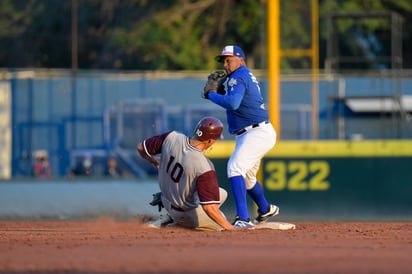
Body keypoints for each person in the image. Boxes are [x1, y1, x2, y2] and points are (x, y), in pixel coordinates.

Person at [204, 45, 280, 228]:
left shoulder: (238, 77)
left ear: (241, 59)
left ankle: (242, 219)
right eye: (223, 60)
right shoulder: (243, 76)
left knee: (235, 168)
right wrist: (220, 94)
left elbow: (233, 103)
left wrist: (212, 94)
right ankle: (265, 208)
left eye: (229, 59)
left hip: (256, 132)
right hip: (254, 132)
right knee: (247, 179)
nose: (225, 64)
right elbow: (238, 100)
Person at [136, 116, 234, 231]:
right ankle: (167, 224)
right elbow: (209, 208)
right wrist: (231, 228)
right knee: (221, 223)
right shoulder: (204, 166)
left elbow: (140, 148)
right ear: (209, 140)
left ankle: (169, 215)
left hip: (167, 200)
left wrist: (153, 160)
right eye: (216, 139)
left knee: (222, 193)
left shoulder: (171, 137)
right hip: (185, 214)